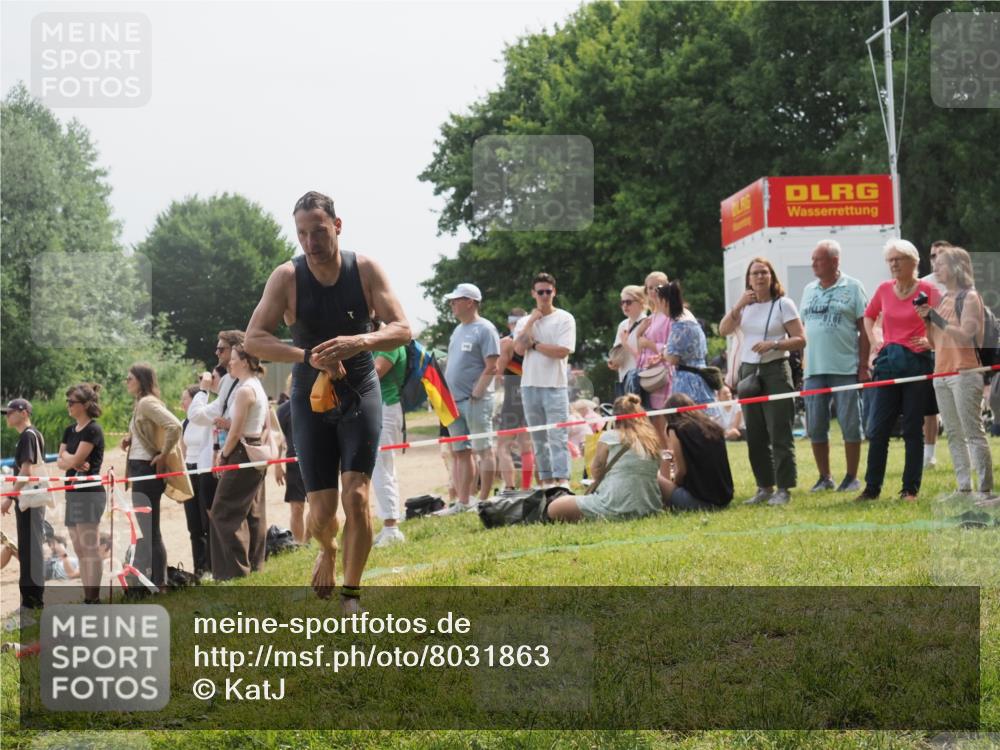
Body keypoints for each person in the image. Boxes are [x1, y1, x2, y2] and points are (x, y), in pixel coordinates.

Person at [244, 190, 410, 611]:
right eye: (302, 234)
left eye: (318, 231)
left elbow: (403, 328)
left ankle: (351, 594)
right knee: (321, 513)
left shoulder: (365, 269)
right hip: (309, 393)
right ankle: (328, 549)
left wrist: (361, 341)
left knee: (356, 495)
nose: (310, 242)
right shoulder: (286, 277)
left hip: (360, 386)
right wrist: (307, 355)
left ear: (337, 226)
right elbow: (254, 340)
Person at [857, 239, 942, 502]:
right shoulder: (883, 289)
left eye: (898, 259)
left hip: (917, 364)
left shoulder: (928, 290)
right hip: (888, 365)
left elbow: (945, 324)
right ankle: (872, 489)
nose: (893, 264)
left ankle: (910, 490)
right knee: (878, 430)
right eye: (890, 260)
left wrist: (931, 341)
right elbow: (868, 316)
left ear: (913, 263)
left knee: (911, 429)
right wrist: (874, 341)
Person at [719, 257, 806, 506]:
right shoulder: (745, 306)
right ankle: (764, 487)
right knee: (754, 433)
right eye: (755, 273)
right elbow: (724, 330)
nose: (759, 277)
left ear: (771, 277)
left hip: (776, 369)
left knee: (779, 430)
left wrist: (774, 344)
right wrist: (737, 305)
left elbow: (800, 339)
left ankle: (784, 488)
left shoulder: (783, 304)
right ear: (748, 279)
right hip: (749, 372)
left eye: (764, 272)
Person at [917, 245, 993, 495]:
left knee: (973, 433)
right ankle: (963, 488)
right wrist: (927, 319)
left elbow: (965, 335)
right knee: (952, 433)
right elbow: (934, 342)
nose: (936, 267)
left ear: (957, 268)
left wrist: (935, 318)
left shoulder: (970, 297)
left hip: (965, 372)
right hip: (942, 373)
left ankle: (984, 489)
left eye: (942, 263)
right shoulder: (943, 299)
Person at [798, 240, 870, 493]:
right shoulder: (808, 289)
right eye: (813, 259)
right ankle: (824, 477)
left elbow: (865, 328)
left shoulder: (853, 287)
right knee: (815, 425)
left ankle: (851, 477)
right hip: (814, 369)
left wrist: (864, 364)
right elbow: (803, 328)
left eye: (819, 259)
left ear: (834, 261)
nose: (813, 264)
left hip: (845, 367)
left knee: (850, 423)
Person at [122, 364, 192, 592]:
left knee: (151, 531)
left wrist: (163, 455)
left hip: (146, 471)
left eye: (130, 378)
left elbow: (174, 426)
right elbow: (149, 431)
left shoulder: (146, 402)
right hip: (141, 470)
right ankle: (157, 581)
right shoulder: (142, 403)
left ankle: (159, 583)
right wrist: (130, 439)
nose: (126, 381)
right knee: (150, 530)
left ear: (141, 380)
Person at [546, 394, 662, 522]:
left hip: (614, 505)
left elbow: (596, 471)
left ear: (615, 416)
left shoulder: (609, 437)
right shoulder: (652, 440)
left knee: (554, 507)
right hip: (650, 507)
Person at [209, 345, 271, 579]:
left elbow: (235, 432)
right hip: (254, 450)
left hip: (242, 452)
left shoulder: (245, 390)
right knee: (252, 512)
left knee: (223, 512)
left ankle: (234, 572)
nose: (230, 364)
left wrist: (224, 454)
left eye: (233, 359)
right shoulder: (257, 387)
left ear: (245, 361)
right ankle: (254, 566)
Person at [438, 283, 501, 514]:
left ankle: (483, 500)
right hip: (454, 402)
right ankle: (464, 501)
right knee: (460, 452)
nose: (452, 304)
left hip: (476, 400)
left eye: (456, 300)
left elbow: (492, 366)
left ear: (470, 302)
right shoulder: (457, 330)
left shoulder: (485, 329)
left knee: (483, 449)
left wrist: (477, 393)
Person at [514, 273, 576, 489]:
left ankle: (563, 481)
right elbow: (519, 349)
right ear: (533, 294)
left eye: (548, 291)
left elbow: (562, 351)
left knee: (558, 436)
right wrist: (531, 320)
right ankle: (547, 483)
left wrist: (536, 345)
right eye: (540, 292)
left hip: (555, 386)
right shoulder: (524, 322)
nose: (544, 296)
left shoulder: (565, 318)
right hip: (530, 386)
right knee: (539, 439)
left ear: (554, 292)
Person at [57, 383, 106, 604]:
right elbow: (61, 462)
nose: (68, 405)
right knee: (78, 548)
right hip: (72, 492)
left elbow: (74, 460)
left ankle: (92, 598)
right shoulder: (69, 430)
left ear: (85, 405)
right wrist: (72, 459)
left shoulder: (93, 429)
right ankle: (88, 595)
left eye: (72, 402)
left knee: (89, 546)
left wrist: (71, 458)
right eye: (67, 401)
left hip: (89, 492)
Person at [2, 399, 47, 613]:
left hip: (29, 498)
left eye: (10, 412)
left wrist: (9, 496)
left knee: (30, 550)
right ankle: (30, 600)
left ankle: (32, 602)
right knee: (29, 548)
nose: (7, 416)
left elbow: (26, 471)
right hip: (29, 498)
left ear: (23, 412)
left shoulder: (28, 435)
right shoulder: (30, 435)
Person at [659, 393, 734, 511]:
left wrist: (674, 484)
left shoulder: (676, 429)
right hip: (724, 498)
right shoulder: (712, 426)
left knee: (656, 479)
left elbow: (682, 471)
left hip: (700, 501)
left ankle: (664, 504)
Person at [371, 329, 408, 544]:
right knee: (384, 467)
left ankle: (391, 527)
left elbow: (375, 372)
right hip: (383, 407)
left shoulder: (390, 341)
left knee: (381, 467)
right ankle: (390, 522)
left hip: (387, 407)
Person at [496, 308, 534, 491]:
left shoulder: (507, 343)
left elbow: (498, 371)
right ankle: (527, 487)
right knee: (526, 446)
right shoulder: (533, 341)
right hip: (530, 393)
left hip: (513, 396)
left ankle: (510, 488)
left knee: (503, 445)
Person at [920, 240, 951, 468]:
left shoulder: (960, 287)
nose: (935, 260)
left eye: (940, 255)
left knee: (959, 406)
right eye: (932, 256)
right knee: (929, 407)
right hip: (929, 352)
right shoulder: (921, 284)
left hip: (955, 352)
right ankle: (929, 456)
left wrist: (932, 317)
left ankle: (970, 450)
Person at [661, 281, 717, 406]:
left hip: (688, 382)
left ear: (664, 302)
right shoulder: (689, 318)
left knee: (688, 421)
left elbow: (672, 358)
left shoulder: (680, 325)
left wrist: (664, 351)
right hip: (700, 376)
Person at [634, 283, 674, 444]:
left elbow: (672, 347)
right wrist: (638, 334)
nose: (653, 291)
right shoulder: (650, 317)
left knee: (664, 423)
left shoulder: (670, 316)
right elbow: (640, 351)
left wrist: (649, 345)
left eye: (657, 287)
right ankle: (664, 463)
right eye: (649, 288)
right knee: (653, 425)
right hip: (648, 375)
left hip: (664, 375)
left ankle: (670, 463)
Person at [181, 385, 211, 577]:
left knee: (207, 523)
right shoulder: (184, 423)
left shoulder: (207, 419)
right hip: (189, 472)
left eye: (185, 399)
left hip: (204, 472)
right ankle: (199, 569)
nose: (182, 403)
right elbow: (182, 452)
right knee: (194, 526)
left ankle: (212, 566)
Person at [275, 374, 308, 543]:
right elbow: (277, 440)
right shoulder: (283, 410)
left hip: (316, 462)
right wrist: (277, 465)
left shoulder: (317, 403)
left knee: (319, 505)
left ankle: (309, 541)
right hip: (293, 464)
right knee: (297, 507)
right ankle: (299, 544)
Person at [608, 285, 647, 399]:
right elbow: (618, 353)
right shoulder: (623, 325)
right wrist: (613, 362)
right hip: (624, 380)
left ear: (641, 302)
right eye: (622, 302)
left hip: (641, 381)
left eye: (629, 302)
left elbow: (645, 359)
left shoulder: (647, 324)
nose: (624, 305)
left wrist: (626, 344)